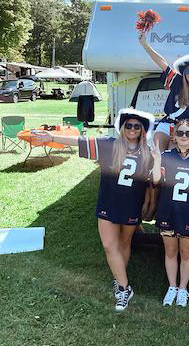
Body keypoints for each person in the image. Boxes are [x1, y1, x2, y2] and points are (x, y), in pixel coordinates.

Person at [31, 108, 155, 312]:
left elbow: (152, 181)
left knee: (124, 244)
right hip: (108, 202)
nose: (132, 129)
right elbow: (80, 141)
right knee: (108, 245)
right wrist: (51, 136)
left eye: (137, 126)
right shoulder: (109, 145)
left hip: (132, 205)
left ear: (143, 130)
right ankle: (124, 288)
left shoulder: (148, 152)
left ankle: (118, 278)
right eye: (129, 125)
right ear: (122, 128)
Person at [151, 119, 189, 307]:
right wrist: (157, 160)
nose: (184, 136)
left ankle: (183, 288)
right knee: (170, 251)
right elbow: (155, 180)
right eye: (180, 133)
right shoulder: (166, 155)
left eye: (188, 133)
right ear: (174, 137)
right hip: (168, 211)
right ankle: (172, 287)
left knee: (186, 253)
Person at [139, 32, 189, 151]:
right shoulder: (177, 82)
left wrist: (183, 135)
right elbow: (163, 64)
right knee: (157, 148)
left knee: (175, 153)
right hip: (168, 125)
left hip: (188, 131)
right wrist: (145, 45)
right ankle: (155, 169)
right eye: (188, 71)